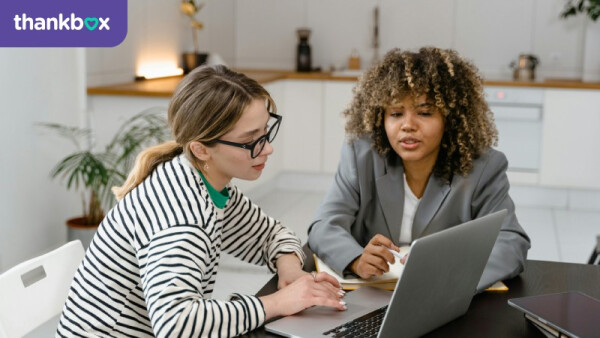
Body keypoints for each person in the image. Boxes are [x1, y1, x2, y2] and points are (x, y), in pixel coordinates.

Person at [56, 65, 346, 338]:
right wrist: (276, 303)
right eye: (251, 140)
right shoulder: (183, 217)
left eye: (266, 132)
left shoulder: (203, 182)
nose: (267, 148)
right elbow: (176, 324)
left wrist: (291, 271)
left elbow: (271, 234)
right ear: (202, 149)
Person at [308, 47, 531, 292]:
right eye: (395, 113)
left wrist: (452, 277)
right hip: (370, 297)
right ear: (380, 117)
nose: (408, 126)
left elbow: (511, 243)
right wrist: (355, 259)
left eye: (424, 112)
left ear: (450, 118)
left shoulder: (483, 167)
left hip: (443, 302)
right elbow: (324, 225)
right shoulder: (361, 155)